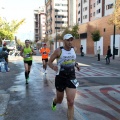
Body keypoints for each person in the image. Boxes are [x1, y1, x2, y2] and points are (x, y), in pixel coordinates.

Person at [48, 34, 80, 120]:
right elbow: (49, 62)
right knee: (60, 100)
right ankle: (54, 102)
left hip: (71, 76)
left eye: (71, 40)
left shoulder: (74, 49)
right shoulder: (58, 51)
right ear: (64, 41)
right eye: (68, 40)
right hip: (60, 77)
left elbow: (73, 60)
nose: (70, 42)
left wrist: (76, 65)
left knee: (71, 102)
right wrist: (53, 67)